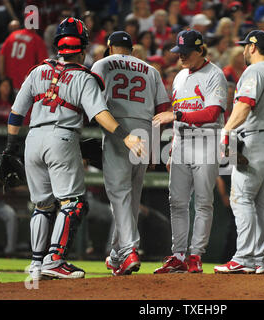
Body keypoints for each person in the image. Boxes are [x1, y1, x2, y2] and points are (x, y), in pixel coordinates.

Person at [4, 17, 145, 280]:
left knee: (42, 205)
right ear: (81, 48)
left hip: (32, 139)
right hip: (62, 137)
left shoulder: (37, 71)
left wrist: (10, 148)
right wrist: (126, 136)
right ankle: (55, 260)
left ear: (58, 45)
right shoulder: (84, 76)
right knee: (73, 203)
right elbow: (100, 114)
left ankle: (37, 264)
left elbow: (15, 113)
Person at [91, 31, 170, 276]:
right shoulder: (151, 70)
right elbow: (162, 111)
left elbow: (90, 98)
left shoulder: (102, 63)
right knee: (132, 197)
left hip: (119, 129)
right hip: (146, 130)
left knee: (119, 193)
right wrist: (155, 152)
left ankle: (128, 250)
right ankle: (117, 254)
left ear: (109, 46)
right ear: (132, 49)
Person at [152, 29, 227, 273]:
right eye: (179, 51)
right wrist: (173, 148)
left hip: (206, 140)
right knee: (177, 202)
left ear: (199, 50)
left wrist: (177, 114)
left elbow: (212, 113)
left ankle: (195, 255)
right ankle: (178, 255)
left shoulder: (215, 74)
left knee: (203, 201)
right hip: (182, 142)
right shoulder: (180, 76)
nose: (181, 56)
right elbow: (177, 121)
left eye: (185, 52)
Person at [214, 30, 264, 275]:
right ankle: (258, 259)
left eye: (245, 46)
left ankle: (244, 256)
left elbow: (244, 106)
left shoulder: (255, 71)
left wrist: (226, 131)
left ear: (253, 47)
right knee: (262, 203)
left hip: (255, 140)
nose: (243, 50)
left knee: (241, 199)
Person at [0, 18, 48, 93]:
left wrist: (2, 77)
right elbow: (43, 65)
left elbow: (1, 56)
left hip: (9, 84)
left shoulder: (12, 35)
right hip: (26, 85)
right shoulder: (37, 40)